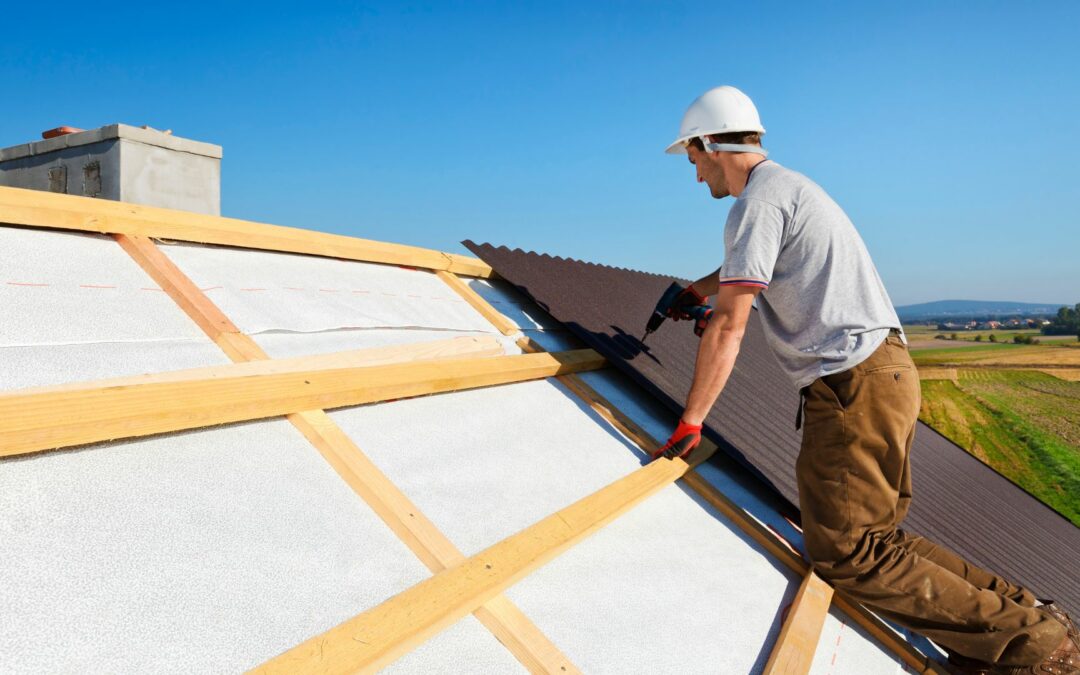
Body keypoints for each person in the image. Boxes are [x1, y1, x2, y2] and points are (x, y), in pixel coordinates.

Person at [653, 85, 1078, 674]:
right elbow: (750, 269)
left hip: (852, 385)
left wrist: (690, 421)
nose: (696, 176)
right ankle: (1025, 614)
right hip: (886, 373)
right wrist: (698, 290)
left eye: (694, 160)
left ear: (708, 143)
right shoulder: (790, 189)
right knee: (878, 539)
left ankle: (1032, 647)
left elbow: (729, 326)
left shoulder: (753, 204)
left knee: (847, 552)